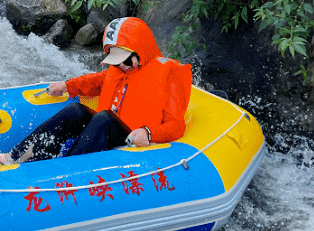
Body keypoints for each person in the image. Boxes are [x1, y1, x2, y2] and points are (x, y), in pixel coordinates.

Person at [11, 17, 193, 162]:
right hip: (108, 131)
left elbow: (176, 126)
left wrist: (148, 133)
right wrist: (68, 85)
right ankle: (18, 156)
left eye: (126, 59)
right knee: (76, 111)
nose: (122, 65)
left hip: (132, 140)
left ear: (141, 51)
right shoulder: (120, 70)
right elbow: (97, 81)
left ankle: (67, 168)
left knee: (104, 118)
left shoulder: (168, 74)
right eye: (117, 60)